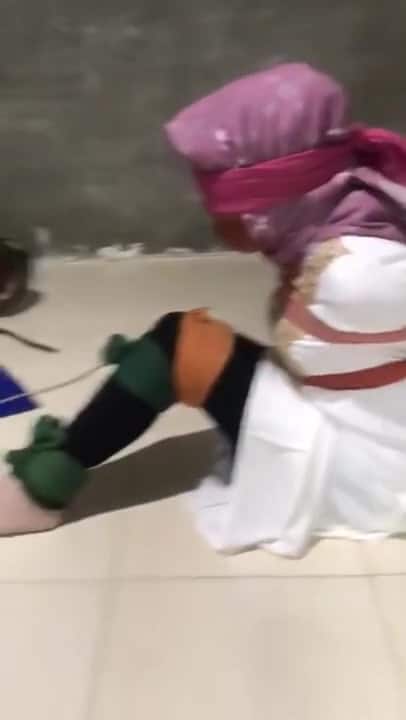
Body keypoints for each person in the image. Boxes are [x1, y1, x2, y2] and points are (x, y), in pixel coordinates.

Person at [3, 62, 406, 557]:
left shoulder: (357, 272)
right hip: (345, 413)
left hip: (356, 464)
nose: (214, 217)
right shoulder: (348, 219)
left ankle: (39, 492)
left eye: (225, 202)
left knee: (183, 347)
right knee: (188, 343)